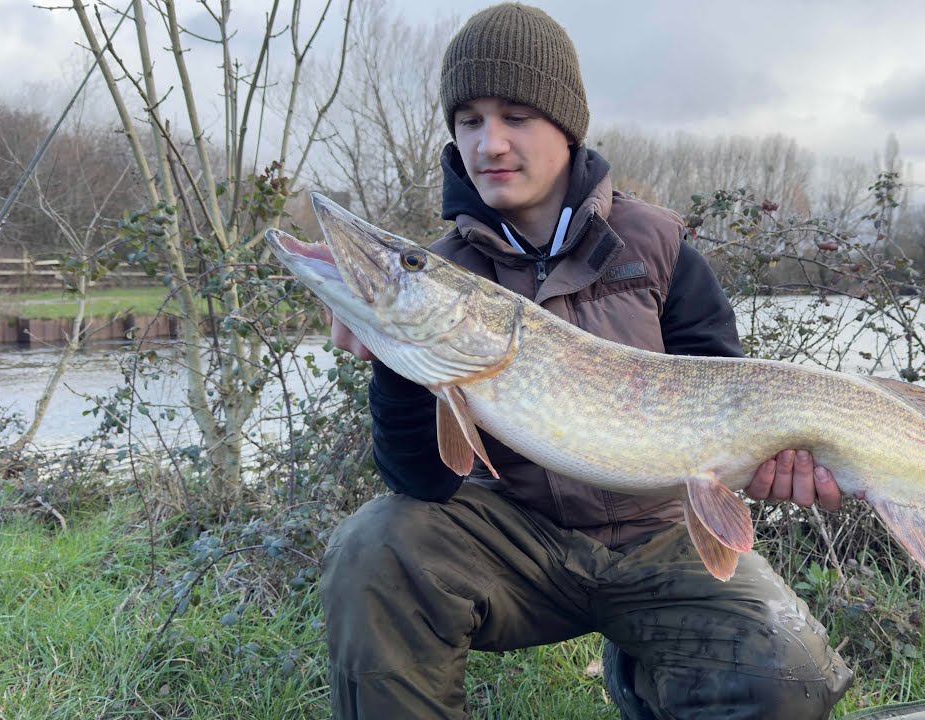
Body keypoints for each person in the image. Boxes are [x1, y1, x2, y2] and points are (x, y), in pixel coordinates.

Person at [321, 3, 853, 718]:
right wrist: (397, 358)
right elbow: (418, 478)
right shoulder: (444, 275)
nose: (490, 143)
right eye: (470, 120)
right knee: (373, 548)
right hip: (519, 544)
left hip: (659, 537)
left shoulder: (658, 247)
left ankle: (642, 675)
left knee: (793, 677)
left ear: (565, 126)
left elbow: (729, 395)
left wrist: (770, 465)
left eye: (516, 115)